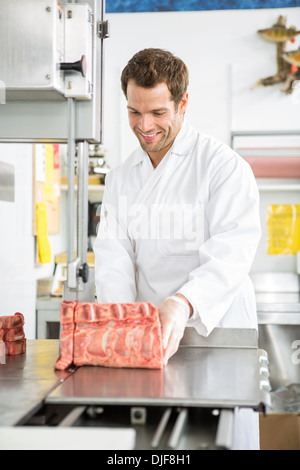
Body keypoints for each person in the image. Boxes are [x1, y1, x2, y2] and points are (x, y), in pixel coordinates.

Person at [93, 48, 261, 449]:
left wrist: (182, 302)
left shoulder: (222, 167)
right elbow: (114, 261)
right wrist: (124, 325)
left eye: (158, 113)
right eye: (134, 112)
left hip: (214, 336)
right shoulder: (121, 178)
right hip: (149, 346)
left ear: (182, 103)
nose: (145, 126)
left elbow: (232, 252)